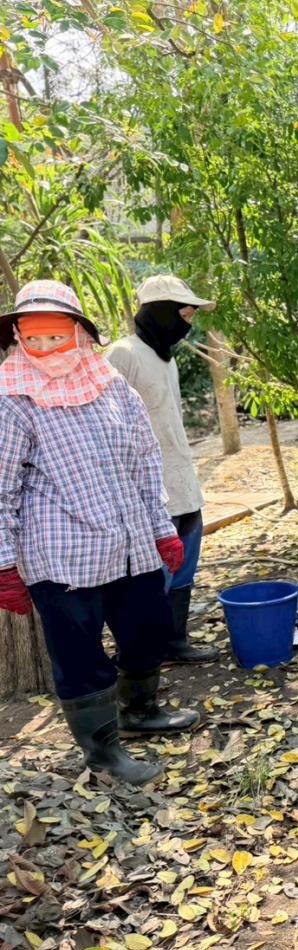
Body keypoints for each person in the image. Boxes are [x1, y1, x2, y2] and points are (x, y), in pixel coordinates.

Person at [0, 280, 199, 785]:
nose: (46, 348)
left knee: (148, 628)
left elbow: (145, 462)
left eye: (56, 336)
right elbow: (1, 488)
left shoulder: (111, 386)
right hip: (62, 554)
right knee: (79, 654)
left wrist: (161, 529)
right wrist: (3, 563)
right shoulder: (12, 399)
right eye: (34, 338)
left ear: (79, 333)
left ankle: (140, 710)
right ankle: (103, 753)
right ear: (20, 337)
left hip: (129, 542)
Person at [105, 275, 218, 666]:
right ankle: (140, 656)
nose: (189, 321)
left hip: (182, 480)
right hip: (147, 489)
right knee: (151, 574)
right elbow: (109, 426)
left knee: (184, 566)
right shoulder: (123, 354)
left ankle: (174, 641)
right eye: (184, 313)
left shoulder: (167, 359)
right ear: (161, 312)